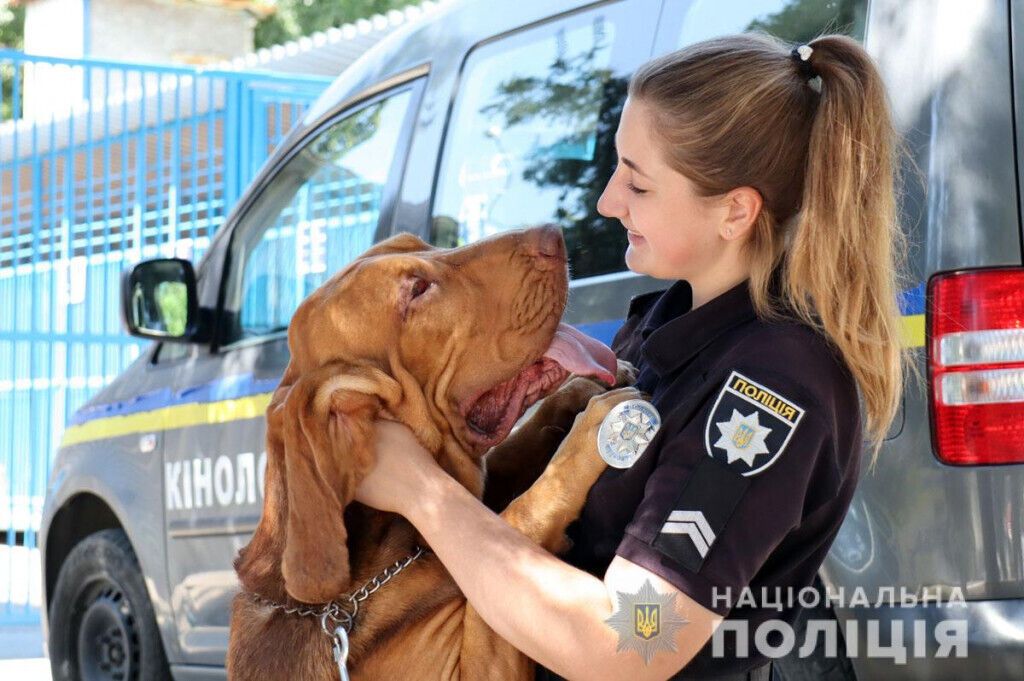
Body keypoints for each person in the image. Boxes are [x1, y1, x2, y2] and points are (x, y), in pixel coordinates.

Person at [355, 31, 908, 680]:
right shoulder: (664, 329)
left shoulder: (771, 386)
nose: (607, 202)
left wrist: (422, 493)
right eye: (617, 169)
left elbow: (632, 641)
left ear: (735, 212)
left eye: (638, 186)